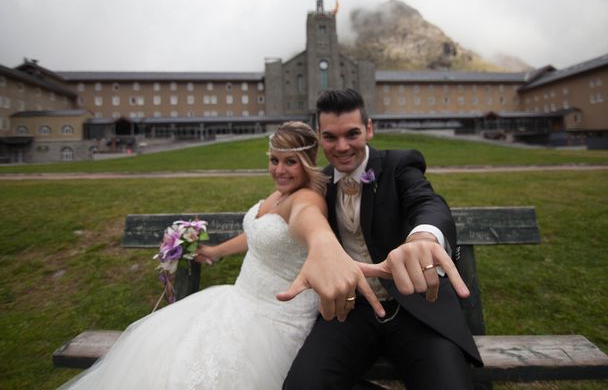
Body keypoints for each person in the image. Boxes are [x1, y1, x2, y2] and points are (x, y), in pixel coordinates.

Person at [59, 121, 382, 390]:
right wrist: (214, 251)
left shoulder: (308, 200)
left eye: (290, 162)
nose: (279, 170)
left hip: (274, 318)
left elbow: (311, 226)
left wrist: (322, 244)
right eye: (274, 160)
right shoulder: (281, 193)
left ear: (307, 161)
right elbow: (256, 235)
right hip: (238, 299)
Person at [281, 89, 483, 390]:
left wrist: (423, 237)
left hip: (416, 308)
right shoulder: (318, 183)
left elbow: (426, 202)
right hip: (350, 310)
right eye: (330, 137)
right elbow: (294, 209)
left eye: (352, 134)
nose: (342, 146)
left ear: (369, 129)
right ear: (320, 137)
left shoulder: (399, 164)